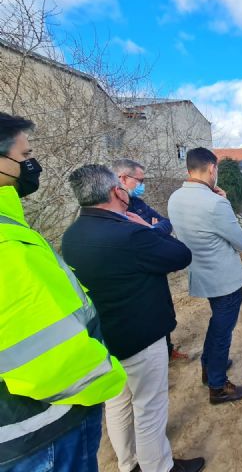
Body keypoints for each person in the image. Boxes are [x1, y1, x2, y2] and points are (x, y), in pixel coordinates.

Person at [0, 113, 126, 471]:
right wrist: (109, 375)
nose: (32, 166)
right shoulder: (6, 241)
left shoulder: (14, 228)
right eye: (24, 158)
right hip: (40, 432)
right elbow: (46, 353)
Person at [62, 164, 204, 472]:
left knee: (117, 403)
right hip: (141, 334)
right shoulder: (131, 233)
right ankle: (159, 466)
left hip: (104, 336)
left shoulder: (71, 235)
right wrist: (147, 227)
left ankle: (128, 464)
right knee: (149, 407)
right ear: (116, 191)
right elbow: (180, 255)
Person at [167, 147, 242, 405]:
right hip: (224, 279)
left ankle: (209, 365)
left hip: (201, 273)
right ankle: (217, 385)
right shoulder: (216, 203)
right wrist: (224, 202)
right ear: (212, 168)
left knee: (217, 323)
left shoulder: (175, 198)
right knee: (223, 330)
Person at [112, 158, 188, 362]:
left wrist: (151, 229)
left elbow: (166, 223)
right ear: (122, 178)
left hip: (155, 270)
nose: (142, 185)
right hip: (135, 274)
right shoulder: (113, 211)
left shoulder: (138, 204)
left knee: (164, 311)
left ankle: (168, 350)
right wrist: (151, 230)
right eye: (139, 180)